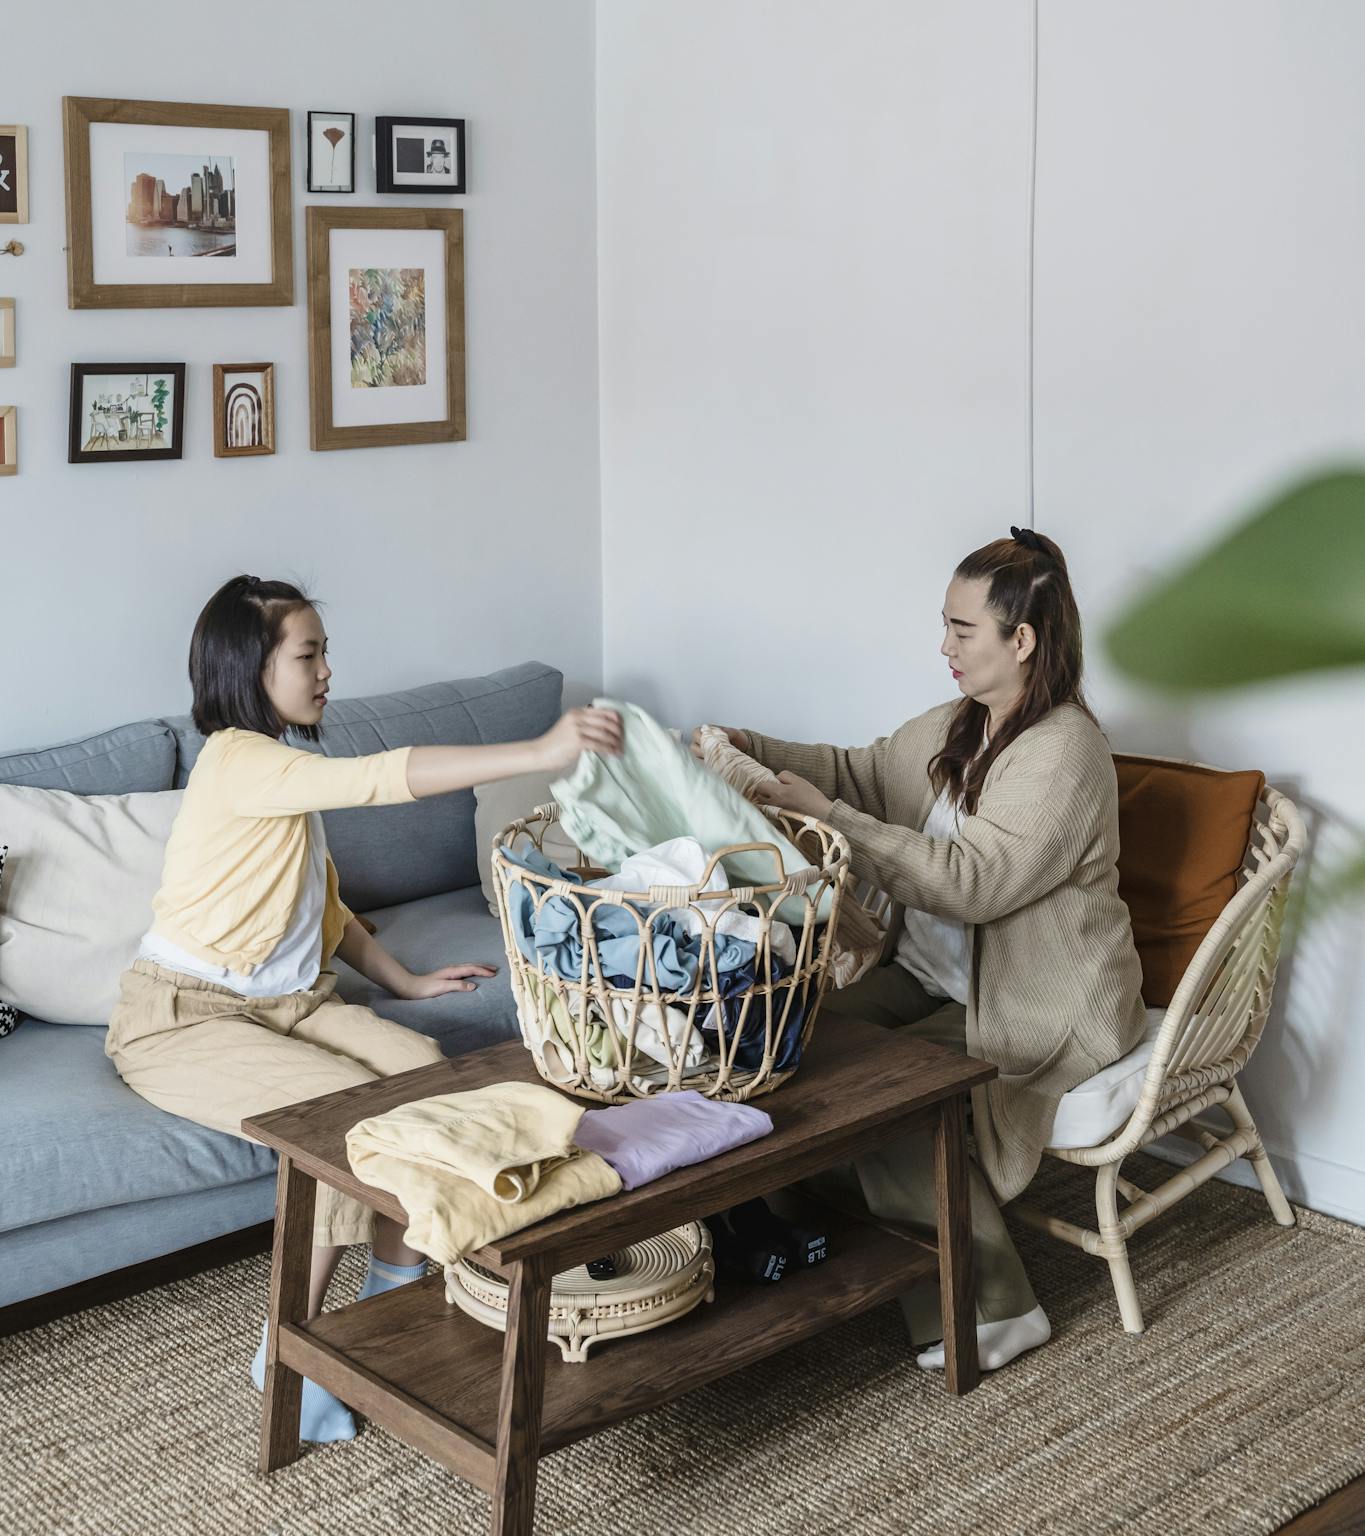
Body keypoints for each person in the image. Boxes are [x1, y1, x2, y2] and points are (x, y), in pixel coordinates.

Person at [105, 574, 622, 1441]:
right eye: (308, 654)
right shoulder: (241, 760)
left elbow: (325, 905)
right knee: (339, 1133)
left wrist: (403, 982)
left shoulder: (285, 774)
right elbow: (386, 778)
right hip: (187, 1016)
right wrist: (537, 751)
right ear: (249, 666)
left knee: (426, 1077)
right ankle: (287, 1353)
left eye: (324, 651)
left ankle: (389, 1303)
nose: (326, 672)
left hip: (290, 1003)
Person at [707, 526, 1144, 1372]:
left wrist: (831, 820)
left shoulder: (1064, 754)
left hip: (1036, 1001)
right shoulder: (961, 724)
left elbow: (971, 882)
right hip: (927, 978)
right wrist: (750, 750)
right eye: (942, 625)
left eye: (961, 630)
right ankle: (796, 1228)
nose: (942, 645)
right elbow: (858, 769)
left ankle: (994, 1308)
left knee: (888, 1094)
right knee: (776, 1035)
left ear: (1021, 640)